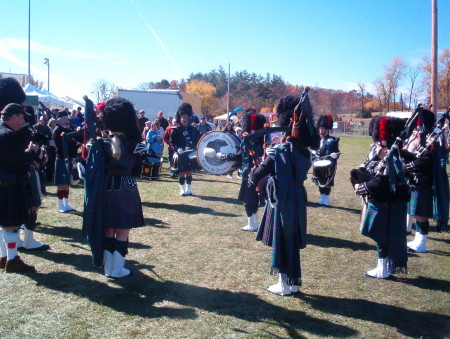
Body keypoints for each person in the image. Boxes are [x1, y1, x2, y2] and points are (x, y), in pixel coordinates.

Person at [249, 92, 320, 295]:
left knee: (282, 242)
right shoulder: (304, 150)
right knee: (292, 243)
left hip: (282, 198)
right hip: (297, 195)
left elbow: (256, 177)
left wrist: (264, 160)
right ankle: (294, 282)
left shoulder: (279, 150)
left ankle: (284, 284)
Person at [82, 96, 145, 278]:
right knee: (122, 231)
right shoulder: (135, 143)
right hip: (126, 188)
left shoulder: (102, 143)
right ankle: (118, 269)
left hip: (106, 189)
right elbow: (136, 169)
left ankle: (109, 269)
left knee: (109, 230)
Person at [355, 116, 409, 279]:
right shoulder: (383, 152)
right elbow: (368, 169)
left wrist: (363, 187)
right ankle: (383, 267)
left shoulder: (395, 156)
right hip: (385, 201)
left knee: (383, 236)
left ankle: (383, 269)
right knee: (382, 236)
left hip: (387, 202)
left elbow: (382, 182)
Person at [0, 100, 39, 273]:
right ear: (14, 116)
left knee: (3, 224)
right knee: (11, 224)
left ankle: (3, 257)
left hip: (4, 183)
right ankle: (12, 259)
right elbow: (18, 162)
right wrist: (32, 152)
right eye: (22, 117)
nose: (23, 120)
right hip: (9, 185)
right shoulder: (7, 135)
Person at [402, 108, 438, 252]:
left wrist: (408, 167)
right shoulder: (419, 142)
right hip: (416, 182)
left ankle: (422, 243)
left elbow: (426, 161)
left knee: (421, 214)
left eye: (418, 128)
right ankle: (417, 240)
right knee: (417, 213)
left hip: (424, 182)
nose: (415, 131)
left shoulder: (430, 141)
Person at [169, 103, 200, 196]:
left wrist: (194, 147)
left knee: (189, 172)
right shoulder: (176, 129)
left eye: (187, 118)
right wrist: (177, 148)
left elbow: (198, 140)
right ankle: (182, 190)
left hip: (190, 153)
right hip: (181, 154)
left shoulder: (193, 129)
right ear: (180, 118)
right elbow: (172, 142)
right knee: (181, 172)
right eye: (183, 118)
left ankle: (188, 189)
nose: (185, 120)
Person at [53, 110, 80, 212]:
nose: (66, 120)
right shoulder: (57, 130)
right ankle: (61, 205)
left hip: (68, 158)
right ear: (59, 120)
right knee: (62, 183)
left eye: (67, 118)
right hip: (61, 158)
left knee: (67, 182)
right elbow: (60, 145)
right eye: (64, 119)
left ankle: (66, 203)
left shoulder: (68, 128)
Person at [312, 114, 340, 206]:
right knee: (320, 181)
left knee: (326, 181)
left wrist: (335, 155)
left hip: (329, 165)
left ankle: (326, 200)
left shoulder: (333, 140)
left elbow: (337, 152)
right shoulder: (318, 139)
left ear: (327, 129)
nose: (320, 130)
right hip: (318, 164)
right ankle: (322, 199)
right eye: (319, 128)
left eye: (322, 128)